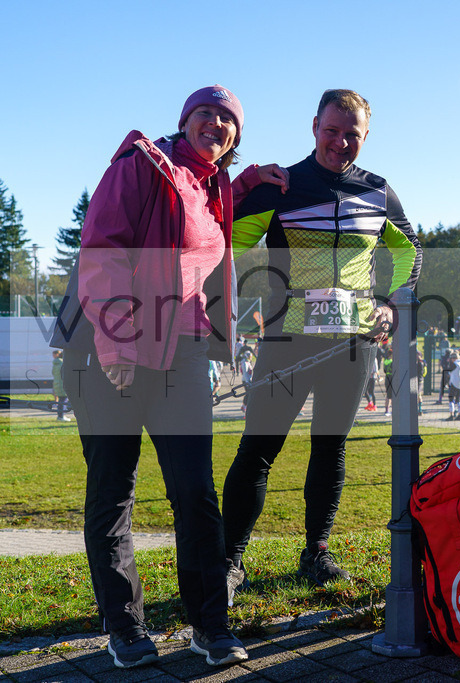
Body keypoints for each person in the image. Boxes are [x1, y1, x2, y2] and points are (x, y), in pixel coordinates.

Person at [51, 85, 289, 668]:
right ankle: (125, 627)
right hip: (108, 349)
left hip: (180, 349)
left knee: (194, 491)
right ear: (184, 121)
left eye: (228, 120)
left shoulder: (212, 190)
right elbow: (101, 251)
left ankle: (210, 626)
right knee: (113, 492)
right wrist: (117, 344)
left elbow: (194, 226)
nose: (216, 123)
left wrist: (250, 180)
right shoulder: (140, 164)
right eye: (205, 114)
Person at [220, 90, 421, 601]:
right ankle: (230, 558)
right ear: (314, 126)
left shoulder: (378, 191)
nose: (341, 141)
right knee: (259, 450)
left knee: (330, 447)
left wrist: (392, 304)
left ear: (366, 136)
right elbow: (221, 244)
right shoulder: (282, 185)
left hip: (352, 346)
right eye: (332, 130)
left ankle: (317, 550)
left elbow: (411, 251)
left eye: (352, 133)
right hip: (287, 339)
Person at [447, 348, 460, 420]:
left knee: (451, 399)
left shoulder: (454, 364)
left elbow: (448, 373)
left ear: (453, 358)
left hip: (453, 383)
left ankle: (451, 414)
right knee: (459, 400)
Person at [51, 350, 70, 421]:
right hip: (62, 384)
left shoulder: (55, 364)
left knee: (60, 400)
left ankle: (60, 415)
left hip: (56, 384)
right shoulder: (63, 363)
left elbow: (53, 373)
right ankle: (61, 416)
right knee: (63, 400)